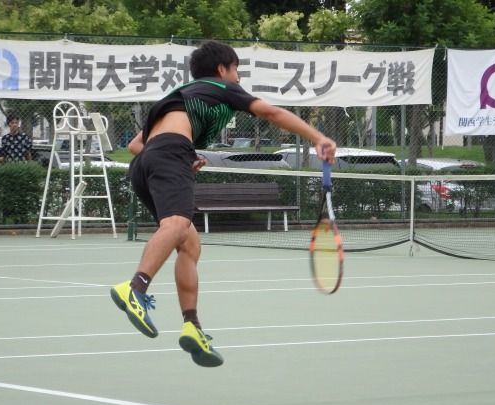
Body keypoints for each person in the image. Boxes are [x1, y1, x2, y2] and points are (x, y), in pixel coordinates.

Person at [110, 40, 336, 368]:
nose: (238, 78)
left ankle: (192, 326)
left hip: (145, 164)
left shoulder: (180, 94)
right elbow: (271, 112)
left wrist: (185, 157)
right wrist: (319, 138)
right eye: (236, 70)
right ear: (221, 69)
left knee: (189, 243)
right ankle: (135, 288)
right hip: (170, 154)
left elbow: (136, 145)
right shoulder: (222, 88)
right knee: (177, 224)